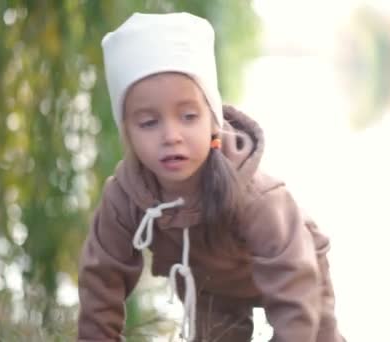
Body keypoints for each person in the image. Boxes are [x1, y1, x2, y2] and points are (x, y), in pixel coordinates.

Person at [77, 12, 345, 342]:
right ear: (127, 133)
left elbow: (295, 302)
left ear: (213, 119)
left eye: (188, 117)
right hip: (212, 287)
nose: (171, 135)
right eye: (148, 123)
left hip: (297, 273)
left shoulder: (261, 199)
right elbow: (101, 283)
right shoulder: (126, 196)